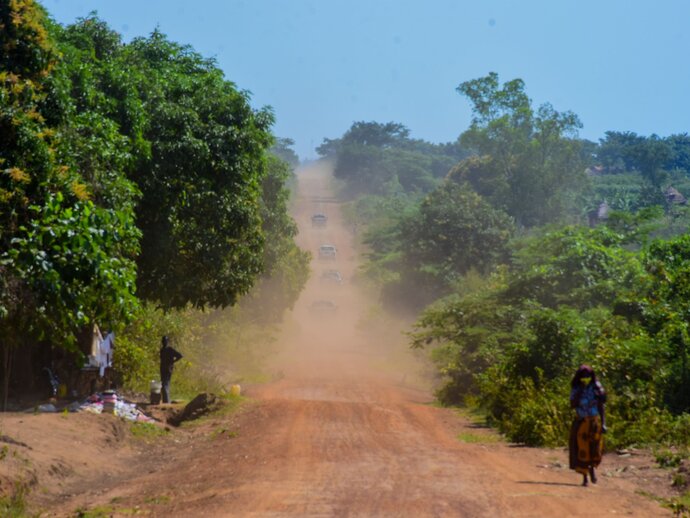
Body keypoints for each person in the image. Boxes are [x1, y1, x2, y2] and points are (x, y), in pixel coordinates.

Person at [569, 364, 607, 486]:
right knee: (582, 449)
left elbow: (602, 404)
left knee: (595, 449)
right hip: (582, 422)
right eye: (583, 376)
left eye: (588, 375)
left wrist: (604, 423)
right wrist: (580, 392)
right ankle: (585, 477)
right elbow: (572, 404)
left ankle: (592, 469)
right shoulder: (576, 388)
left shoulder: (596, 387)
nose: (586, 377)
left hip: (594, 422)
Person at [159, 335, 183, 404]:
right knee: (163, 383)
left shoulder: (170, 349)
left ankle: (166, 401)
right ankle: (165, 400)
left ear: (167, 341)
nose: (164, 342)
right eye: (163, 341)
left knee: (165, 384)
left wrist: (173, 362)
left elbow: (180, 356)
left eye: (165, 341)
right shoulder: (162, 350)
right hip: (162, 368)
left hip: (168, 368)